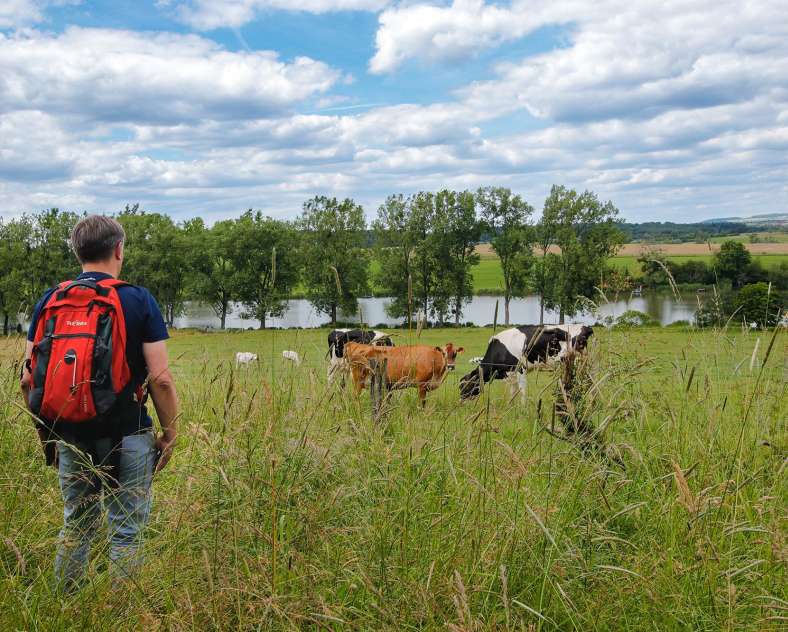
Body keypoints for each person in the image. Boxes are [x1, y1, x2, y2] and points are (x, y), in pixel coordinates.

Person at [19, 215, 179, 589]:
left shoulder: (50, 301)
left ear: (78, 253)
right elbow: (161, 379)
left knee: (76, 525)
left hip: (70, 434)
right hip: (129, 435)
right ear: (118, 249)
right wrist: (170, 434)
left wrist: (49, 437)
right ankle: (121, 617)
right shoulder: (137, 299)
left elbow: (28, 381)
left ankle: (66, 609)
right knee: (126, 532)